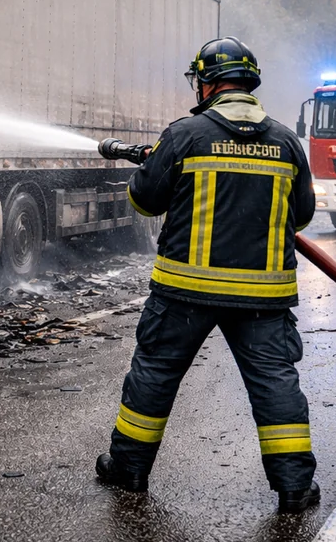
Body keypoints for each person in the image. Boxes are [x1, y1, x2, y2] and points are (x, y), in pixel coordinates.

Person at [96, 37, 320, 513]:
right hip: (263, 299)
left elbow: (144, 201)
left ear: (208, 83)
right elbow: (300, 217)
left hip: (183, 293)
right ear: (249, 84)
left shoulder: (184, 135)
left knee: (154, 375)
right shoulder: (285, 141)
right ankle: (295, 489)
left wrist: (159, 162)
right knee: (275, 384)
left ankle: (129, 470)